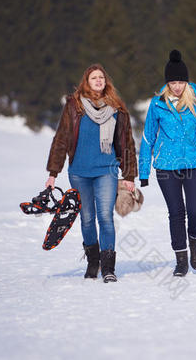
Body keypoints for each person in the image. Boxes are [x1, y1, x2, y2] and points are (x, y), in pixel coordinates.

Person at [45, 64, 137, 283]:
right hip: (79, 172)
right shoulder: (74, 106)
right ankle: (93, 262)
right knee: (87, 219)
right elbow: (61, 139)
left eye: (101, 78)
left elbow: (127, 144)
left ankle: (108, 267)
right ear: (86, 81)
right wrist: (53, 173)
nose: (98, 81)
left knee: (105, 217)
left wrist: (130, 175)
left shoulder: (116, 108)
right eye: (94, 77)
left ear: (106, 82)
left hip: (106, 171)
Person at [139, 50, 196, 277]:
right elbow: (148, 138)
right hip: (166, 167)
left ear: (186, 82)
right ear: (167, 83)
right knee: (176, 213)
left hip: (195, 163)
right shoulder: (157, 104)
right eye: (172, 82)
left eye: (180, 82)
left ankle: (194, 239)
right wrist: (144, 171)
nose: (176, 86)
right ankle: (181, 259)